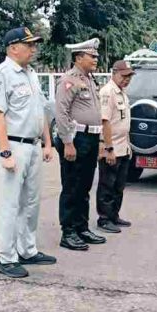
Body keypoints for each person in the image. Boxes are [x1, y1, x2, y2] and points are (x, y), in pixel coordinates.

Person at [0, 27, 57, 278]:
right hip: (13, 146)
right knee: (9, 203)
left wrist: (47, 143)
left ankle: (27, 250)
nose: (34, 49)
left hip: (33, 145)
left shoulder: (31, 74)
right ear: (13, 47)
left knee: (31, 202)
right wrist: (5, 153)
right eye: (29, 45)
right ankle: (6, 258)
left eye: (34, 44)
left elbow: (41, 111)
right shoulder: (1, 74)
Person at [55, 38, 107, 251]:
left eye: (96, 55)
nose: (96, 59)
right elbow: (61, 112)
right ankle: (68, 232)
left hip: (91, 138)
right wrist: (68, 142)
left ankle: (81, 227)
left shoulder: (90, 79)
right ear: (78, 58)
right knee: (71, 186)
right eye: (91, 56)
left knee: (85, 185)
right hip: (76, 138)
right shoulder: (69, 80)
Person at [96, 60, 135, 233]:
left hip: (123, 147)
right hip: (111, 148)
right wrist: (108, 148)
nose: (127, 79)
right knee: (107, 185)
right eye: (124, 76)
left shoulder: (122, 93)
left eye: (129, 76)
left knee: (119, 185)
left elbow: (123, 123)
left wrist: (128, 146)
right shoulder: (107, 92)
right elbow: (105, 122)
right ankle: (104, 218)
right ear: (114, 73)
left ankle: (114, 215)